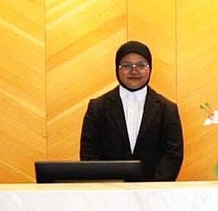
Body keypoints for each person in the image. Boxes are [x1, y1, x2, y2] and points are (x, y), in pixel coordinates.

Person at [79, 41, 184, 181]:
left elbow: (173, 155)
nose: (134, 71)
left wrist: (154, 187)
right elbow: (89, 154)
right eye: (127, 65)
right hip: (108, 190)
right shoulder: (98, 107)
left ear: (150, 68)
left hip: (154, 190)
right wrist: (107, 186)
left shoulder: (167, 109)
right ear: (117, 69)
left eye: (141, 65)